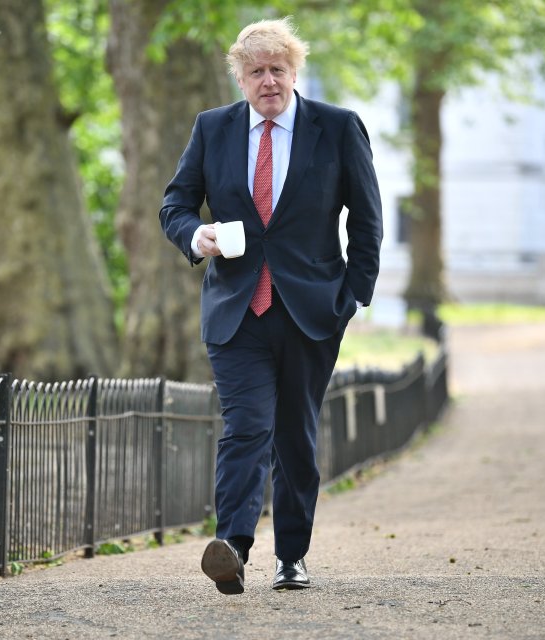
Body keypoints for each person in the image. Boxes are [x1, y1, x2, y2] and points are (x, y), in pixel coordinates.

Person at [159, 17, 382, 594]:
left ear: (294, 71)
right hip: (236, 308)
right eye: (255, 71)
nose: (268, 82)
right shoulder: (213, 130)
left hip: (312, 311)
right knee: (246, 426)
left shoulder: (336, 128)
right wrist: (194, 236)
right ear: (239, 77)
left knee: (294, 434)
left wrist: (352, 296)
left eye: (277, 69)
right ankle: (232, 545)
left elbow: (367, 218)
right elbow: (176, 204)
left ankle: (293, 556)